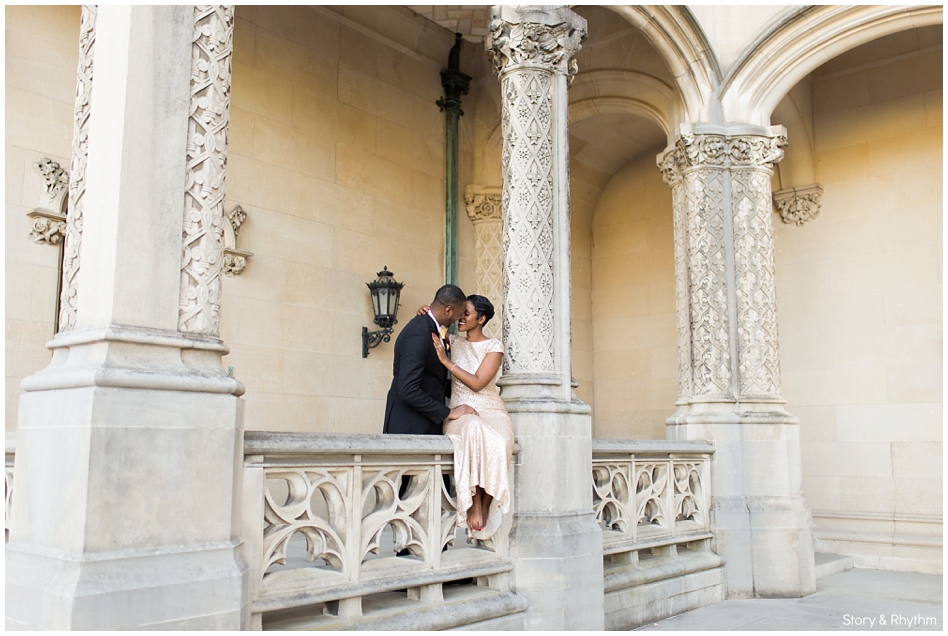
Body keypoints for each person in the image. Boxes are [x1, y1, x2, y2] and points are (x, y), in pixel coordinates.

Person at [421, 295, 514, 539]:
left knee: (500, 440)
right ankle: (473, 501)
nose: (461, 318)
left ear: (481, 319)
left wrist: (446, 362)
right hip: (461, 412)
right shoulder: (450, 341)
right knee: (473, 428)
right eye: (461, 312)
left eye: (467, 314)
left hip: (492, 409)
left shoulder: (494, 346)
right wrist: (425, 313)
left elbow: (478, 382)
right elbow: (433, 324)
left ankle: (484, 501)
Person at [383, 285, 478, 436]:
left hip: (424, 424)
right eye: (458, 314)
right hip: (410, 426)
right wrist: (448, 412)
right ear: (448, 310)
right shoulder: (418, 335)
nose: (458, 320)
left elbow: (432, 379)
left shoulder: (430, 328)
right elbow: (408, 390)